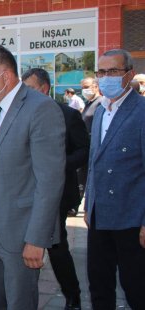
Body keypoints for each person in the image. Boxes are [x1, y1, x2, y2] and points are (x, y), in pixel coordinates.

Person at [0, 44, 65, 310]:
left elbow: (50, 182)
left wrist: (37, 239)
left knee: (20, 301)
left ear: (6, 76)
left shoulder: (40, 109)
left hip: (20, 228)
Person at [22, 68, 88, 310]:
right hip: (25, 193)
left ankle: (73, 296)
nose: (24, 94)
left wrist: (56, 165)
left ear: (44, 88)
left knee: (57, 247)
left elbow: (83, 152)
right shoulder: (21, 114)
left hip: (57, 193)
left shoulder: (68, 115)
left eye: (28, 88)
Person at [85, 49, 145, 310]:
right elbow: (93, 163)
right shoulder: (100, 111)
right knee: (99, 283)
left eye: (113, 71)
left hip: (131, 219)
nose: (105, 77)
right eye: (101, 72)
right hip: (100, 216)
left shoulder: (141, 112)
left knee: (136, 287)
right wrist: (89, 202)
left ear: (128, 74)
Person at [77, 77, 103, 202]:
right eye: (82, 88)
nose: (84, 90)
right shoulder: (89, 103)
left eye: (86, 87)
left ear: (96, 86)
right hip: (86, 146)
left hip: (94, 147)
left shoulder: (101, 102)